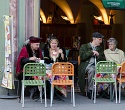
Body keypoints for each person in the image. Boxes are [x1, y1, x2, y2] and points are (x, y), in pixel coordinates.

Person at [78, 32, 106, 99]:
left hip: (98, 66)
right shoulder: (84, 46)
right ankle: (90, 90)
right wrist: (91, 52)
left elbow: (103, 60)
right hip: (86, 66)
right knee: (92, 70)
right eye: (99, 39)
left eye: (101, 39)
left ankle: (103, 91)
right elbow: (82, 57)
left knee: (107, 72)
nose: (101, 41)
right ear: (94, 39)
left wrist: (98, 55)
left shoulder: (100, 48)